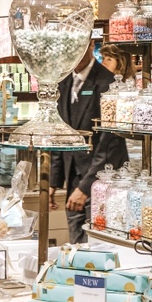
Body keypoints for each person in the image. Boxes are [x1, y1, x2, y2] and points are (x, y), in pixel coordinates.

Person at [51, 41, 129, 243]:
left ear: (89, 45)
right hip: (73, 177)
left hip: (102, 180)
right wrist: (53, 181)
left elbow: (111, 143)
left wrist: (86, 188)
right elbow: (61, 133)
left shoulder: (108, 82)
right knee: (76, 244)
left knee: (99, 246)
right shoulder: (64, 82)